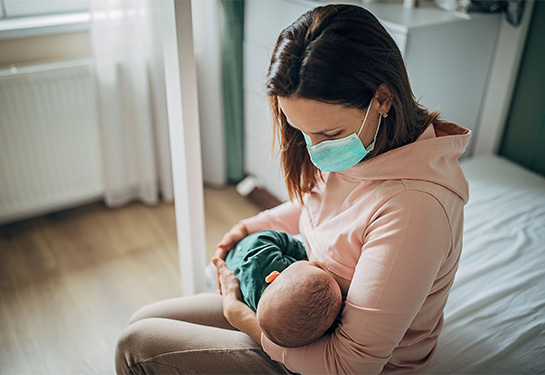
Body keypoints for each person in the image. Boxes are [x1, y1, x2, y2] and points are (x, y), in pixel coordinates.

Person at [115, 4, 471, 374]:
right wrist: (250, 227)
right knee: (142, 318)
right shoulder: (365, 146)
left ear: (382, 98)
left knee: (135, 347)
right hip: (296, 313)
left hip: (333, 360)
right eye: (302, 131)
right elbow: (318, 210)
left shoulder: (414, 209)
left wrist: (243, 319)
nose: (315, 151)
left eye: (329, 134)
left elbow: (350, 365)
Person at [223, 229, 342, 348]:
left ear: (274, 276)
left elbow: (263, 238)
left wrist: (301, 250)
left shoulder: (262, 263)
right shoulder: (291, 320)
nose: (315, 263)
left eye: (312, 265)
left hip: (237, 255)